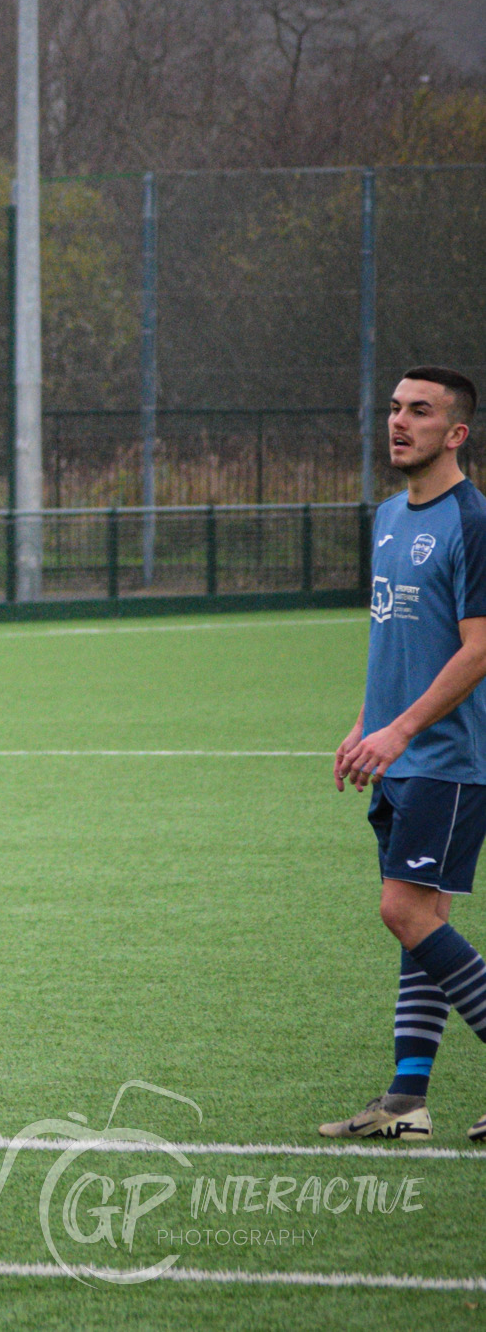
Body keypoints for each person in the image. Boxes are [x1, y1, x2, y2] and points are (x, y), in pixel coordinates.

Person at [323, 366, 486, 1145]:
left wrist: (403, 729)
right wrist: (367, 724)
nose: (399, 421)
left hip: (449, 758)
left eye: (419, 411)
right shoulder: (389, 514)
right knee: (420, 920)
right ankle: (407, 1098)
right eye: (392, 406)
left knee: (404, 911)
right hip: (401, 754)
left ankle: (408, 1094)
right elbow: (397, 638)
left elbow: (478, 650)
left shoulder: (474, 520)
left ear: (456, 433)